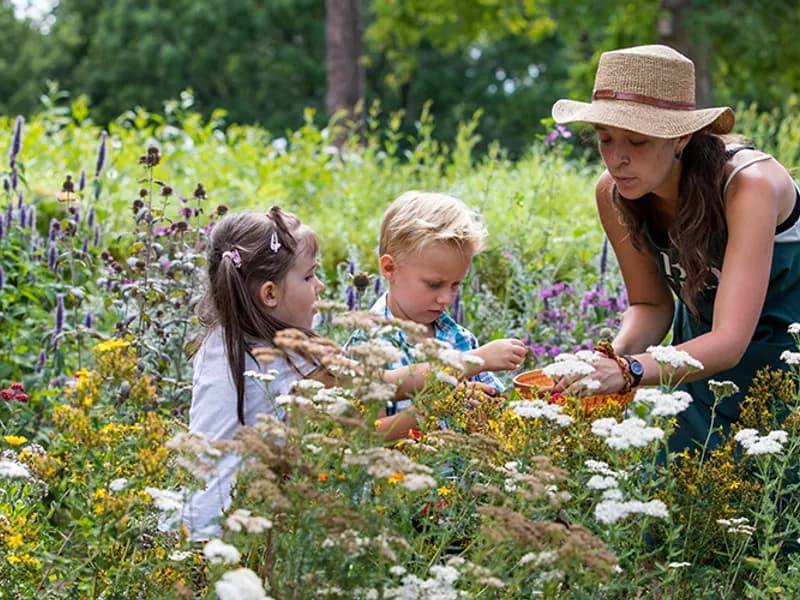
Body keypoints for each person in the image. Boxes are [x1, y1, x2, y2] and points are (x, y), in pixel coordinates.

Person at [550, 44, 800, 452]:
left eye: (637, 141)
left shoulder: (748, 185)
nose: (617, 159)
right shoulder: (613, 193)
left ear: (681, 134)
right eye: (605, 139)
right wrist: (603, 362)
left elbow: (730, 340)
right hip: (697, 379)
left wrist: (630, 371)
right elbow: (651, 306)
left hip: (787, 372)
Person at [182, 207, 455, 539]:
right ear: (269, 293)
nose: (321, 286)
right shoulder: (293, 359)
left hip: (192, 522)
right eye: (309, 276)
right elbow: (379, 390)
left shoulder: (218, 340)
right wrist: (468, 365)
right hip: (241, 529)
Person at [349, 191, 528, 421]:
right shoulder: (368, 345)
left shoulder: (460, 338)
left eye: (456, 285)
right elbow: (369, 436)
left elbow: (493, 413)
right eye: (434, 284)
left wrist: (486, 408)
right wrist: (441, 405)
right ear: (390, 269)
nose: (446, 298)